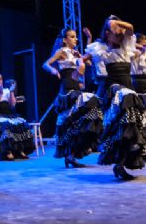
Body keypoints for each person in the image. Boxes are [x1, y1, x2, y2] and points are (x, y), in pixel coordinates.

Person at [91, 17, 146, 180]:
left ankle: (120, 165)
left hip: (127, 88)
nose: (121, 31)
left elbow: (130, 26)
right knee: (126, 100)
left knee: (126, 130)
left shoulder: (126, 47)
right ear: (107, 34)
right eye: (115, 29)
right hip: (113, 90)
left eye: (120, 28)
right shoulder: (100, 48)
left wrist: (115, 22)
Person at [43, 28, 103, 168]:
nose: (76, 39)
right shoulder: (61, 52)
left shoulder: (75, 53)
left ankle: (73, 153)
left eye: (76, 37)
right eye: (72, 37)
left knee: (80, 119)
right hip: (68, 89)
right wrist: (53, 70)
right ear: (65, 39)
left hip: (76, 88)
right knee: (71, 121)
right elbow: (45, 64)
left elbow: (88, 60)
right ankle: (70, 155)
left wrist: (89, 39)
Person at [0, 72, 34, 161]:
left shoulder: (6, 90)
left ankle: (19, 150)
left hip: (9, 114)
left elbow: (12, 104)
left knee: (22, 125)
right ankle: (7, 152)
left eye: (0, 79)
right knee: (5, 126)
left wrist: (11, 92)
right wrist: (0, 94)